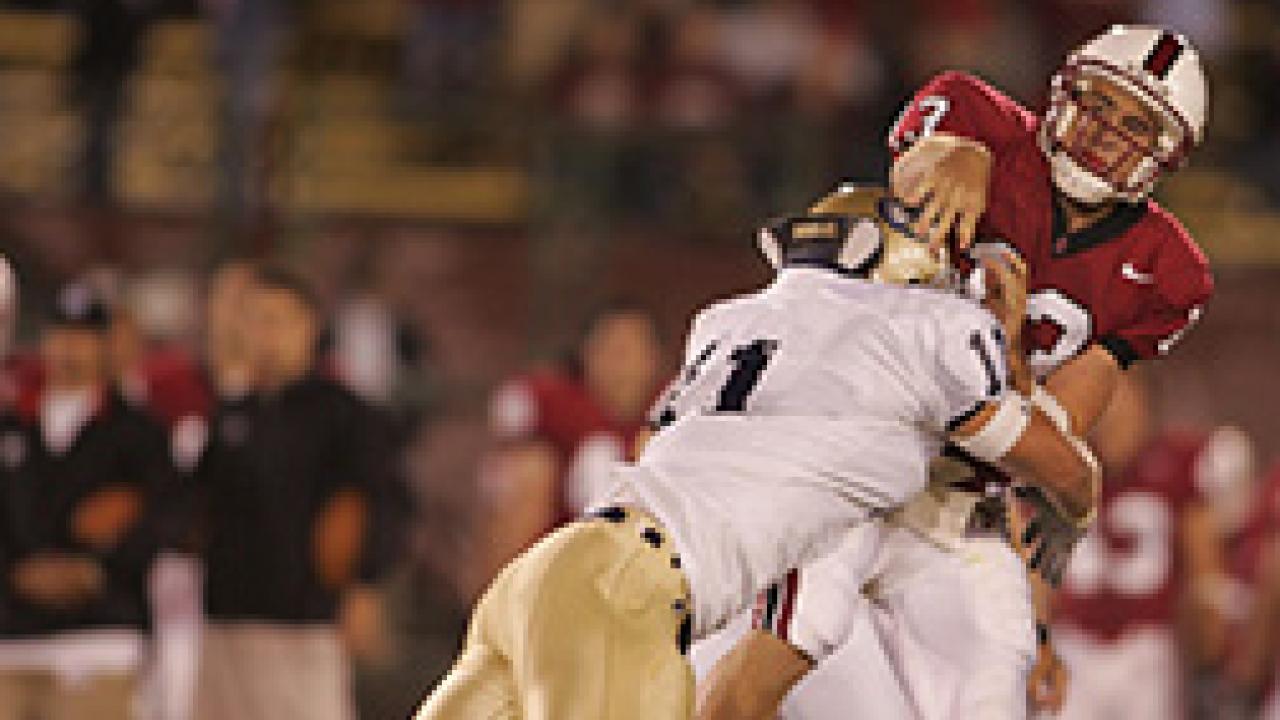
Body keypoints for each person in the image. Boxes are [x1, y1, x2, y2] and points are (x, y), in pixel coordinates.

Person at [416, 184, 1101, 720]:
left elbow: (663, 440)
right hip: (637, 594)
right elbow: (1061, 470)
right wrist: (1009, 347)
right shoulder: (930, 329)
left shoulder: (730, 319)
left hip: (556, 570)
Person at [695, 24, 1213, 720]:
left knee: (992, 680)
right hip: (855, 467)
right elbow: (906, 180)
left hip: (959, 507)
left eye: (1133, 125)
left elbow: (1054, 427)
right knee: (785, 645)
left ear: (1164, 156)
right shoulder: (977, 120)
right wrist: (957, 155)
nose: (1103, 132)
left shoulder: (1166, 272)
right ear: (1064, 91)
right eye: (1098, 102)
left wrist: (1011, 353)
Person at [191, 267, 394, 720]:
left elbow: (372, 503)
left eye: (280, 320)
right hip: (226, 613)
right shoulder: (230, 411)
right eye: (258, 320)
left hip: (304, 618)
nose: (268, 334)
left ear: (310, 327)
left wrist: (363, 585)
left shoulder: (343, 414)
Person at [0, 284, 171, 720]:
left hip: (100, 637)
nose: (69, 348)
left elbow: (166, 514)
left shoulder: (137, 432)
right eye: (60, 334)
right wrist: (18, 573)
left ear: (104, 346)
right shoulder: (13, 424)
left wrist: (96, 569)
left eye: (83, 336)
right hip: (11, 636)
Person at [1054, 371, 1228, 720]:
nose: (1112, 416)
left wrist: (1208, 645)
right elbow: (1039, 561)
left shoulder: (1177, 460)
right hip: (1074, 641)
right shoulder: (1063, 463)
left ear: (1144, 402)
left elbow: (1203, 565)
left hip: (1148, 645)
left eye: (1122, 400)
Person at [476, 300, 662, 586]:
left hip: (642, 553)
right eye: (609, 350)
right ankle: (501, 608)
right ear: (586, 355)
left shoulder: (673, 409)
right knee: (530, 469)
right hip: (557, 549)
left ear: (653, 359)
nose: (619, 366)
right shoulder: (553, 402)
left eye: (628, 352)